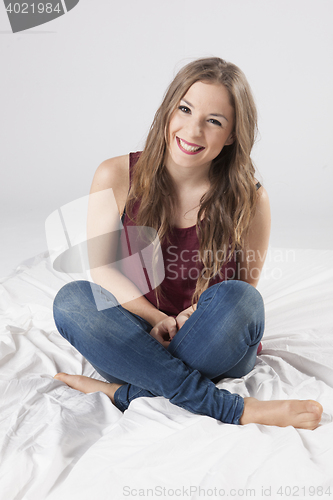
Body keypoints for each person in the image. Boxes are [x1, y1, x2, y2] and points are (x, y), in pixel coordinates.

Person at [53, 57, 323, 429]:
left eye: (214, 121)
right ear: (168, 111)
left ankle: (127, 391)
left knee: (242, 301)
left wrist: (190, 318)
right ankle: (233, 408)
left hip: (213, 341)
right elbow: (103, 270)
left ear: (231, 135)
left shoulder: (251, 198)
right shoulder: (115, 174)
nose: (193, 130)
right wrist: (158, 319)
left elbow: (243, 287)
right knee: (72, 301)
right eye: (185, 109)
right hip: (137, 336)